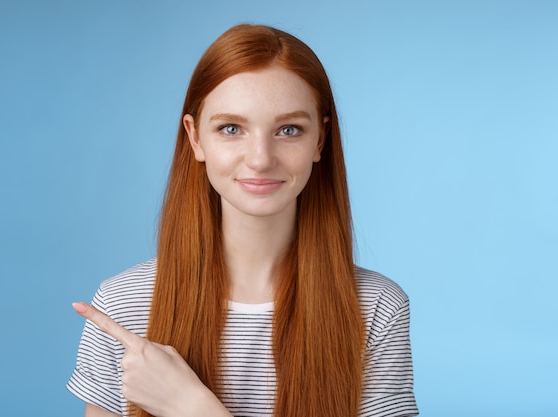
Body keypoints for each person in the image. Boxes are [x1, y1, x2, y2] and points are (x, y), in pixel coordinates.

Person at [67, 24, 419, 417]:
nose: (260, 158)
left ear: (319, 140)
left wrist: (192, 407)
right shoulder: (124, 305)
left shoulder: (375, 309)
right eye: (231, 128)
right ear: (195, 138)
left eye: (289, 130)